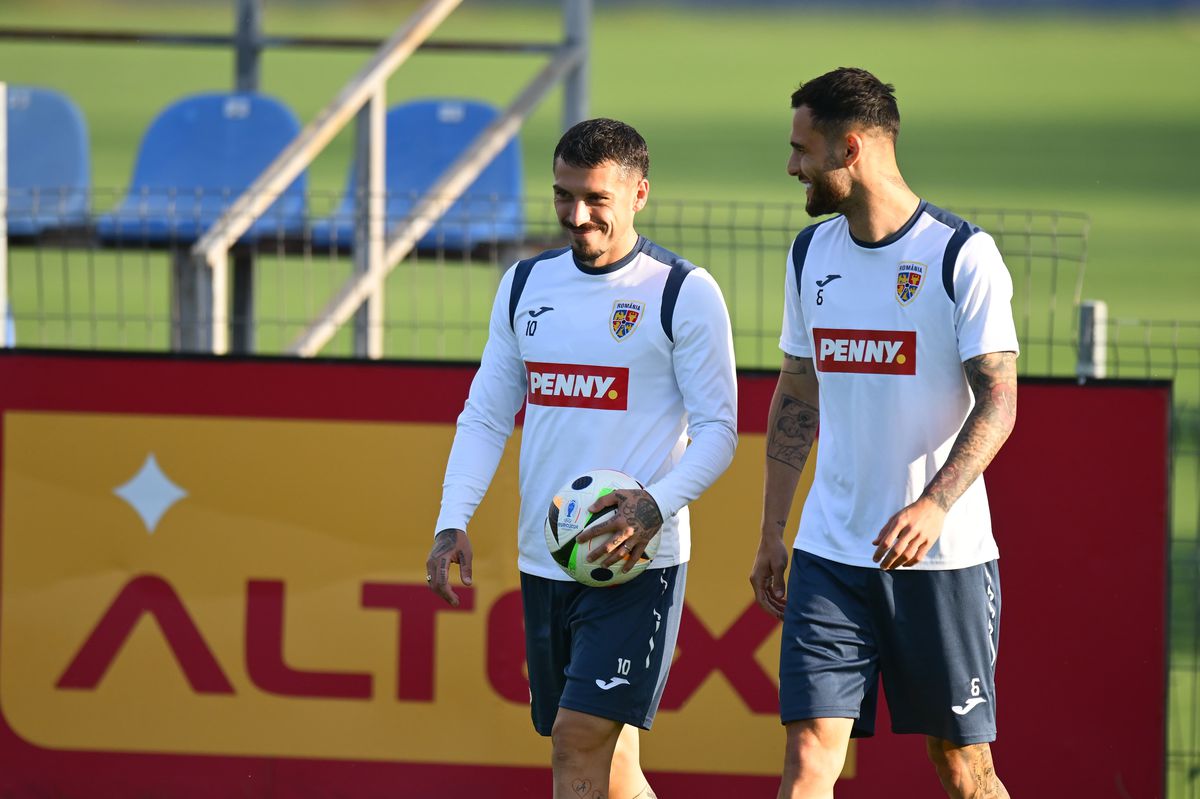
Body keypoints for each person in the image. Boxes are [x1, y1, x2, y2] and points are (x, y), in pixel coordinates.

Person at [427, 118, 737, 799]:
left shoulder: (682, 292)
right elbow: (485, 414)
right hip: (549, 561)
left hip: (636, 562)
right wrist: (453, 518)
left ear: (639, 194)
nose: (577, 215)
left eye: (596, 198)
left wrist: (656, 504)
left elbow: (720, 432)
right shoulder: (525, 284)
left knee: (577, 738)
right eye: (564, 196)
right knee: (611, 764)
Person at [749, 67, 1018, 799]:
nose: (792, 166)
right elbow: (797, 393)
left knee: (963, 769)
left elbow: (999, 403)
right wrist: (774, 529)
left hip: (942, 561)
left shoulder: (962, 255)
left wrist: (932, 506)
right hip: (830, 555)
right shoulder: (810, 256)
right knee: (808, 756)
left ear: (852, 149)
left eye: (803, 149)